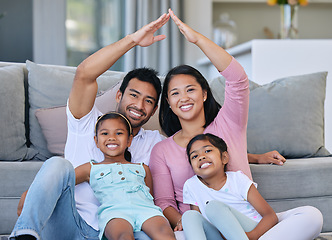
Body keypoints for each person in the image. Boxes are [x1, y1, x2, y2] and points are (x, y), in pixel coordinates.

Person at [149, 9, 323, 239]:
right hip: (202, 229)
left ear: (204, 94)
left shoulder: (229, 124)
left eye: (190, 89)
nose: (184, 98)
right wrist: (184, 221)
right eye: (175, 93)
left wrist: (198, 40)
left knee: (311, 216)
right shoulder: (162, 150)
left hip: (249, 224)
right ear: (169, 103)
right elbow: (164, 201)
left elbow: (237, 79)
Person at [10, 13, 171, 240]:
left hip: (122, 229)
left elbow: (192, 147)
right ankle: (24, 236)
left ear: (154, 110)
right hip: (70, 222)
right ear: (119, 95)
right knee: (57, 164)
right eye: (133, 95)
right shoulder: (87, 120)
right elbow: (85, 73)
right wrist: (133, 40)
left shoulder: (156, 142)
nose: (139, 105)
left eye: (148, 101)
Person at [183, 133, 322, 240]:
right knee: (189, 216)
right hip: (220, 235)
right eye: (194, 156)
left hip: (252, 230)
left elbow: (270, 216)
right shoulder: (191, 185)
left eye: (207, 151)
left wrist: (252, 236)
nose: (201, 157)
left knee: (312, 215)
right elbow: (200, 222)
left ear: (224, 157)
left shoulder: (237, 179)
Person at [75, 112, 175, 240]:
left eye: (119, 133)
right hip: (115, 213)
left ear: (129, 140)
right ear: (96, 141)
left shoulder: (143, 168)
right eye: (105, 133)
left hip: (147, 210)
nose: (112, 137)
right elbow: (64, 182)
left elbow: (150, 196)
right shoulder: (91, 168)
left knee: (164, 233)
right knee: (123, 236)